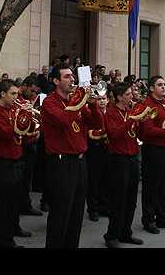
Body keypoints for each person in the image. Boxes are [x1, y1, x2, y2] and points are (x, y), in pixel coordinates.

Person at [40, 62, 103, 248]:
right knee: (60, 214)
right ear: (56, 81)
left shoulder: (75, 101)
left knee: (76, 214)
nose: (72, 80)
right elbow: (64, 120)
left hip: (80, 162)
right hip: (62, 163)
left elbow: (97, 123)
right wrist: (79, 99)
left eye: (72, 76)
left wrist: (93, 104)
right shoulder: (50, 103)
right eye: (67, 76)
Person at [0, 78, 37, 248]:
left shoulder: (12, 108)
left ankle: (8, 239)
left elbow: (24, 133)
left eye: (17, 93)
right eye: (13, 94)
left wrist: (30, 123)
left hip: (17, 159)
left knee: (13, 204)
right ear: (2, 94)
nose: (17, 97)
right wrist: (22, 115)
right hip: (1, 162)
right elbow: (7, 133)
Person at [103, 82, 145, 248]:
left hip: (133, 158)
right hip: (119, 160)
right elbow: (114, 134)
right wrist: (131, 120)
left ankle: (125, 233)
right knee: (118, 200)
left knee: (131, 200)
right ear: (119, 97)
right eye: (128, 94)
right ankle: (111, 235)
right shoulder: (111, 113)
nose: (132, 96)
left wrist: (141, 122)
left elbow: (140, 135)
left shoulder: (130, 111)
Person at [140, 75, 165, 234]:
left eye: (164, 84)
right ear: (151, 88)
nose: (164, 87)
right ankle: (148, 219)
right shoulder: (148, 105)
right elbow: (148, 131)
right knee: (151, 186)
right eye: (160, 85)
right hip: (155, 150)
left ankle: (161, 217)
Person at [17, 75, 43, 218]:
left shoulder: (29, 99)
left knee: (28, 176)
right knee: (21, 176)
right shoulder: (17, 99)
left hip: (31, 140)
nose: (33, 94)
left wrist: (37, 127)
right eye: (31, 91)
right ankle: (21, 204)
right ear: (24, 86)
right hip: (21, 142)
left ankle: (25, 203)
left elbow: (35, 117)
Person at [85, 92, 110, 221]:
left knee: (105, 179)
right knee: (94, 180)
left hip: (107, 148)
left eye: (103, 99)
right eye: (99, 99)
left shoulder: (109, 113)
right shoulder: (91, 112)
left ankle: (104, 206)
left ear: (108, 100)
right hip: (94, 149)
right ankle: (93, 209)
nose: (101, 101)